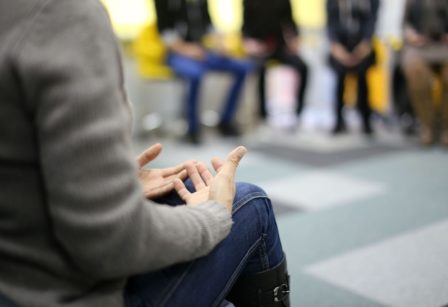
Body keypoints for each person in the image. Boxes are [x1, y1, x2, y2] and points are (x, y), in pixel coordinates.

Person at [0, 1, 290, 307]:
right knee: (251, 204)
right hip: (51, 292)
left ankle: (226, 120)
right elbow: (110, 242)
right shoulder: (64, 15)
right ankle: (194, 129)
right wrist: (213, 215)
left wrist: (106, 180)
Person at [153, 0, 253, 145]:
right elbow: (165, 33)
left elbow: (209, 26)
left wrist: (222, 44)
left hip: (202, 51)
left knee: (243, 68)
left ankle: (225, 121)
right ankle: (192, 129)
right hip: (177, 53)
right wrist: (187, 50)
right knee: (195, 74)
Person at [401, 0, 448, 147]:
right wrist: (411, 35)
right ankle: (428, 125)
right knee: (415, 71)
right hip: (421, 46)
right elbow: (405, 24)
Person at [242, 0, 309, 126]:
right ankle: (263, 115)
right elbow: (245, 26)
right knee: (259, 69)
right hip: (259, 47)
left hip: (279, 46)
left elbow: (290, 22)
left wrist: (294, 40)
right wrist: (249, 43)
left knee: (303, 67)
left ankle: (299, 112)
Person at [326, 0, 380, 135]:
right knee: (339, 78)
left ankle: (366, 121)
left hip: (362, 44)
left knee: (363, 79)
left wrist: (365, 45)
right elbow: (330, 23)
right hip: (340, 45)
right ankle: (338, 120)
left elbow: (372, 20)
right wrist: (337, 48)